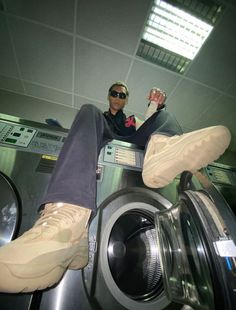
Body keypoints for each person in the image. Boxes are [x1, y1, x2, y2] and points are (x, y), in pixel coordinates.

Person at [0, 81, 231, 293]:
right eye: (114, 93)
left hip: (135, 145)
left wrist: (153, 107)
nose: (118, 96)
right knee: (88, 110)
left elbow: (147, 126)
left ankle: (161, 151)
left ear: (126, 99)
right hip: (105, 137)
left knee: (165, 115)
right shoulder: (100, 117)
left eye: (122, 94)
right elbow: (84, 135)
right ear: (110, 96)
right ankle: (67, 230)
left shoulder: (130, 120)